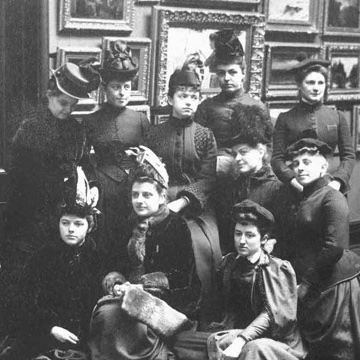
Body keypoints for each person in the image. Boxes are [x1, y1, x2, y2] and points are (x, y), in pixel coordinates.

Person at [1, 62, 101, 307]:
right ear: (49, 96)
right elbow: (20, 179)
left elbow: (86, 163)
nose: (67, 110)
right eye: (63, 103)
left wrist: (94, 184)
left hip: (66, 213)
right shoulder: (30, 128)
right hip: (33, 211)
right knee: (31, 273)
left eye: (73, 105)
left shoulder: (76, 130)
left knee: (63, 275)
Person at [88, 146, 201, 360]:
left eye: (147, 195)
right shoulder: (126, 224)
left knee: (131, 320)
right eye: (135, 195)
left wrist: (143, 287)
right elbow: (114, 263)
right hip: (127, 293)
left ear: (161, 197)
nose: (140, 200)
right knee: (105, 314)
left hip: (168, 300)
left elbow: (181, 277)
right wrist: (117, 282)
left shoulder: (175, 225)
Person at [145, 64, 222, 327]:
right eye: (182, 96)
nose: (189, 102)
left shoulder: (205, 136)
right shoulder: (154, 134)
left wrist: (183, 201)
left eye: (193, 96)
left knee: (204, 251)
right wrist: (161, 203)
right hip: (160, 202)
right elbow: (148, 172)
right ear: (170, 99)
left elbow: (208, 178)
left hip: (196, 207)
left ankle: (202, 319)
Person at [5, 174, 102, 360]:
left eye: (78, 224)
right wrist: (50, 327)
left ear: (89, 227)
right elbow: (23, 298)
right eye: (65, 223)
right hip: (45, 333)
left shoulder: (96, 258)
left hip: (84, 337)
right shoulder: (44, 256)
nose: (71, 229)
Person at [285, 138, 360, 360]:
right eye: (296, 164)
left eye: (307, 162)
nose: (300, 168)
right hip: (317, 287)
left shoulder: (331, 196)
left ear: (323, 167)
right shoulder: (305, 197)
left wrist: (306, 284)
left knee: (338, 350)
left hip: (334, 288)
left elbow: (335, 247)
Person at [207, 200, 306, 360]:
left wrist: (241, 340)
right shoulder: (229, 264)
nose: (242, 241)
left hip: (278, 341)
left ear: (263, 239)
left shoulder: (278, 269)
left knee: (254, 348)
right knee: (216, 340)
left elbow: (271, 314)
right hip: (244, 332)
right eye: (238, 233)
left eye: (250, 235)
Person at [86, 40, 150, 265]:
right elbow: (83, 160)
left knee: (132, 245)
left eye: (126, 87)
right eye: (116, 87)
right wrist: (93, 183)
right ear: (105, 88)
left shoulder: (140, 120)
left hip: (134, 190)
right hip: (103, 191)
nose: (122, 93)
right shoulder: (91, 121)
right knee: (105, 244)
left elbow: (150, 159)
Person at [214, 104, 292, 257]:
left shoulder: (277, 189)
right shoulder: (230, 186)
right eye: (234, 154)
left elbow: (284, 238)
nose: (237, 159)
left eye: (243, 152)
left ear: (261, 151)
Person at [272, 54, 355, 195]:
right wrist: (292, 181)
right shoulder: (285, 119)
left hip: (331, 187)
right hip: (298, 187)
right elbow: (277, 159)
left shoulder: (337, 117)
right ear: (299, 85)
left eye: (320, 83)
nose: (316, 88)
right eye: (310, 83)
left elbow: (348, 156)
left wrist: (338, 182)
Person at [194, 29, 269, 176]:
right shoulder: (206, 108)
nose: (227, 78)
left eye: (232, 72)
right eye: (221, 73)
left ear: (243, 73)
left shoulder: (257, 106)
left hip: (249, 174)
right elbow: (198, 148)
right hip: (213, 176)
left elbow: (267, 147)